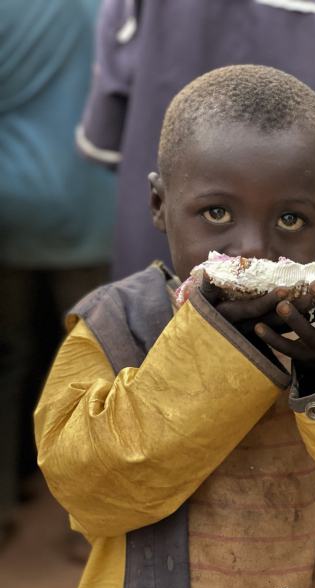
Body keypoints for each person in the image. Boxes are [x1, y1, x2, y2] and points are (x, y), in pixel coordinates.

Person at [35, 66, 315, 588]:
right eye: (217, 211)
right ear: (160, 205)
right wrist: (210, 351)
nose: (253, 247)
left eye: (291, 220)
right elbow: (88, 491)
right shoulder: (116, 325)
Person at [77, 0, 315, 279]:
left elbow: (104, 136)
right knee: (293, 338)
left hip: (159, 241)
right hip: (293, 246)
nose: (251, 253)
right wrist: (294, 216)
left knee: (152, 333)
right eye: (217, 213)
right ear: (157, 202)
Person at [0, 0, 116, 547]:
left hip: (10, 197)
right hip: (89, 194)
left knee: (7, 356)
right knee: (91, 362)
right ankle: (83, 523)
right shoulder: (107, 7)